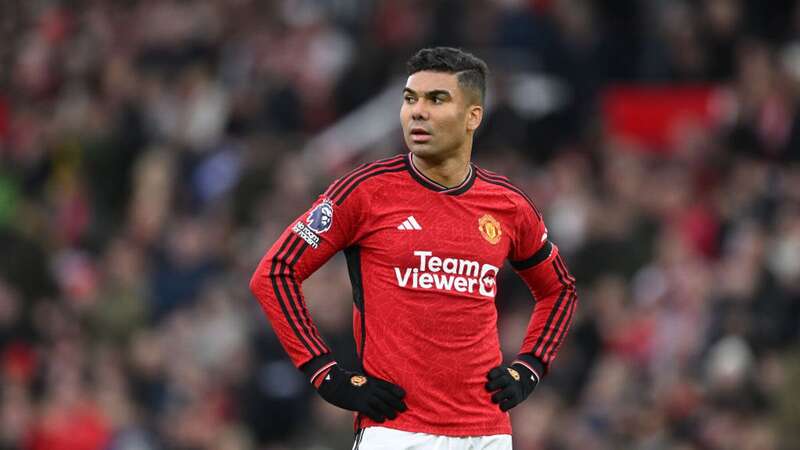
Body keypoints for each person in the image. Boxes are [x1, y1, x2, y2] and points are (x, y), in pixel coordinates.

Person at [250, 47, 577, 450]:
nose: (417, 112)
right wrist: (326, 372)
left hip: (487, 434)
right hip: (395, 430)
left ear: (473, 116)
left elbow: (559, 290)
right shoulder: (365, 191)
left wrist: (530, 366)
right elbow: (275, 273)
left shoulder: (508, 204)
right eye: (410, 99)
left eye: (436, 99)